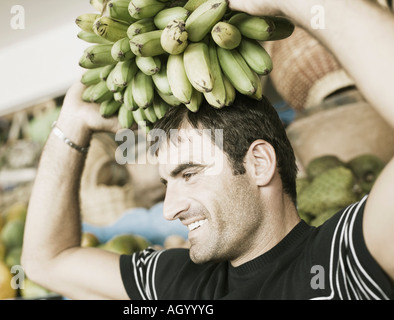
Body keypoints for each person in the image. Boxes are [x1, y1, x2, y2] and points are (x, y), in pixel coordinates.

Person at [21, 0, 394, 300]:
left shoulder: (343, 259)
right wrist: (72, 123)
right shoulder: (182, 284)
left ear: (260, 163)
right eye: (167, 181)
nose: (169, 209)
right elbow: (45, 262)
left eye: (189, 173)